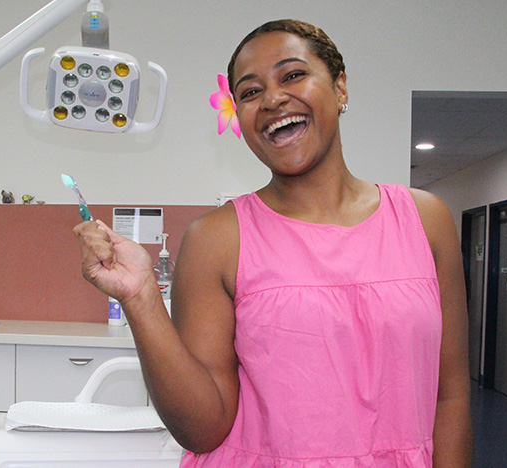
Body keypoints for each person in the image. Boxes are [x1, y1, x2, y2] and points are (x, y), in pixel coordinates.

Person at [73, 19, 472, 467]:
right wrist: (141, 297)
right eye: (249, 92)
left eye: (294, 75)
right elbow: (202, 430)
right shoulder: (217, 239)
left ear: (340, 88)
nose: (273, 99)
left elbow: (450, 395)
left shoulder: (424, 220)